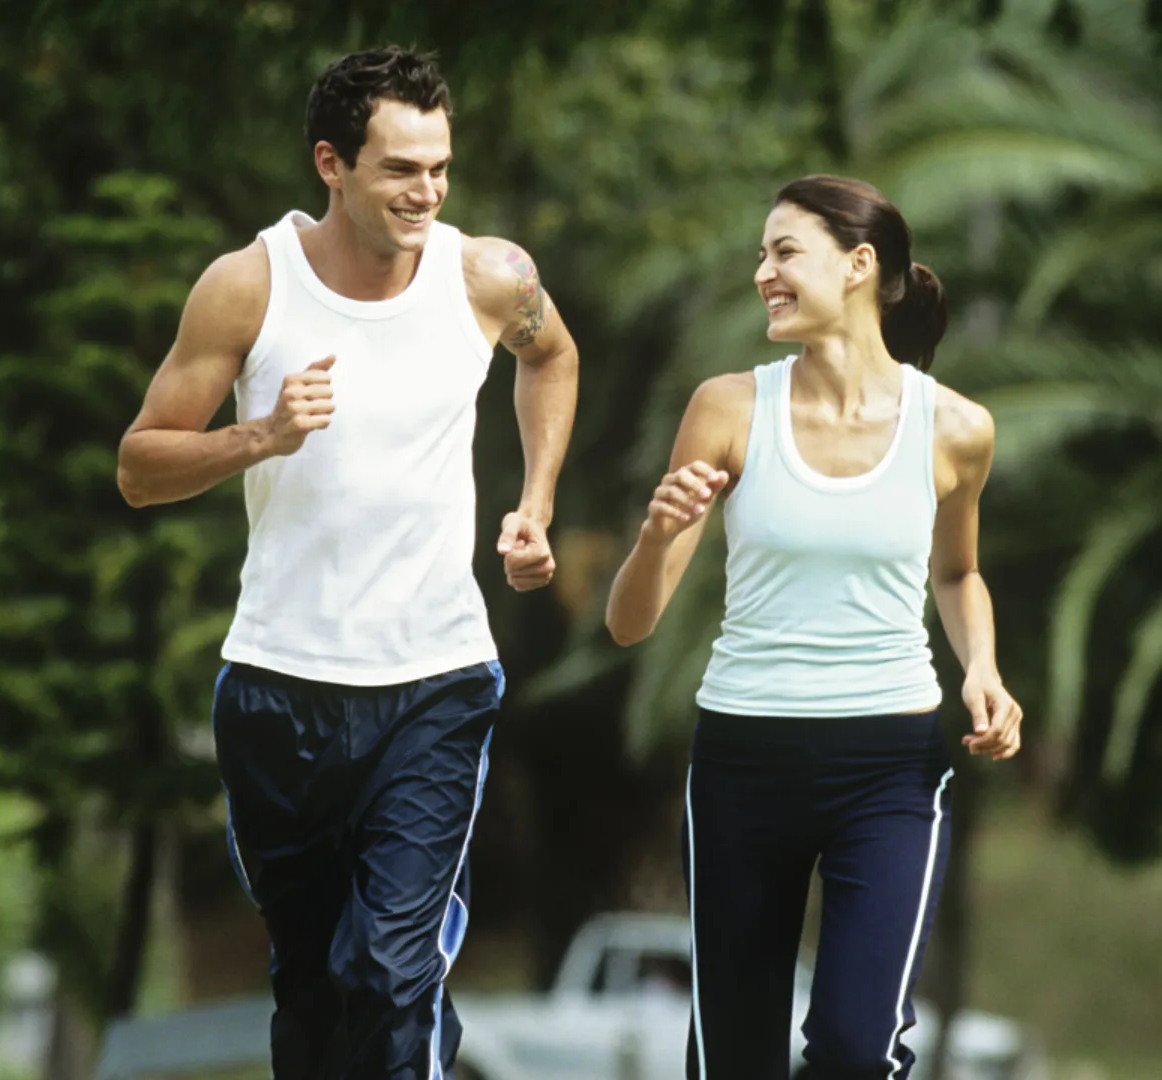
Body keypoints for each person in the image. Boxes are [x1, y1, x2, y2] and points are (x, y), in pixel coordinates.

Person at [115, 46, 578, 1080]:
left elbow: (553, 355)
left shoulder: (489, 278)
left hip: (435, 683)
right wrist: (259, 439)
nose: (427, 192)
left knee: (387, 970)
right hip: (279, 688)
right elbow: (140, 467)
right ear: (332, 163)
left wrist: (536, 504)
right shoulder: (247, 289)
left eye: (440, 168)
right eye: (399, 169)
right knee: (317, 990)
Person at [604, 175, 1021, 1080]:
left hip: (890, 769)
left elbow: (956, 572)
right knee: (735, 1060)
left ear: (860, 265)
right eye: (763, 255)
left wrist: (981, 665)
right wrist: (657, 533)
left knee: (854, 1046)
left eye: (784, 251)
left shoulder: (954, 429)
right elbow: (631, 624)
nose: (763, 273)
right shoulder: (727, 407)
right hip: (743, 764)